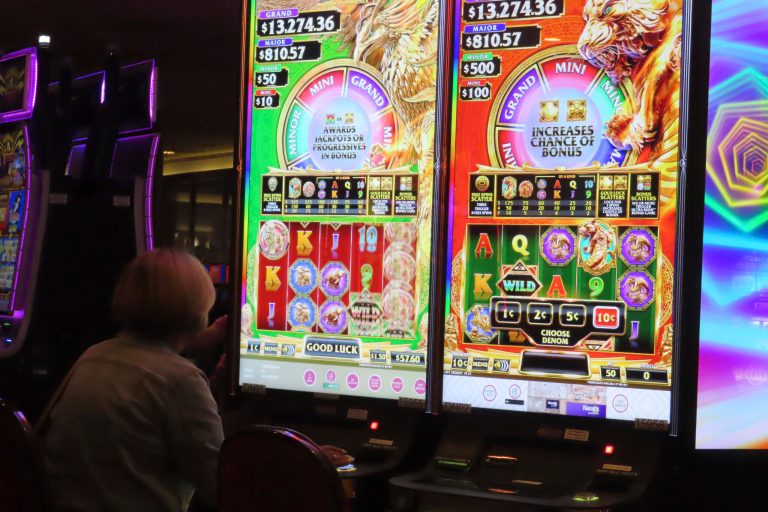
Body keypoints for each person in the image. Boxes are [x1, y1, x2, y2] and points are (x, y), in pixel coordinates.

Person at [39, 249, 226, 512]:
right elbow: (221, 486)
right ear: (198, 311)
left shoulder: (93, 355)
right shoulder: (182, 380)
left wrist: (192, 342)